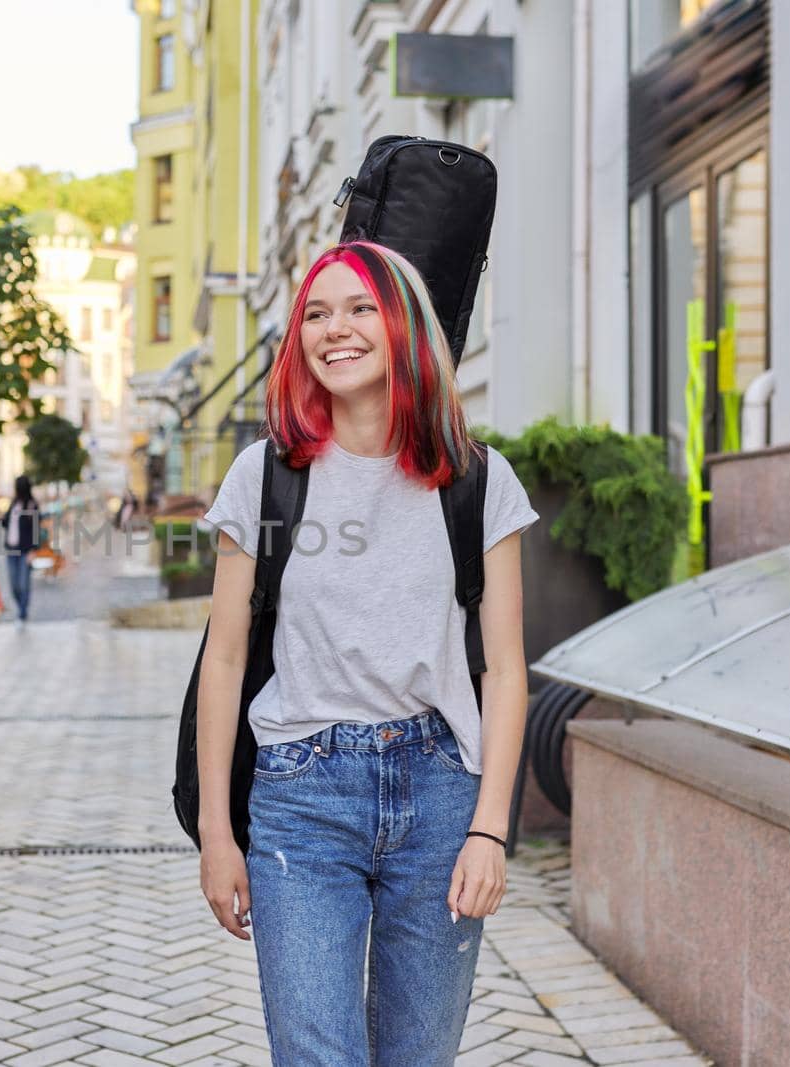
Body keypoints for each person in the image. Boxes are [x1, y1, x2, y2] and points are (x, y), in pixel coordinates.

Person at [194, 241, 537, 1065]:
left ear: (403, 328)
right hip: (300, 800)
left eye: (358, 309)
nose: (334, 329)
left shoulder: (478, 481)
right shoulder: (265, 476)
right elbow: (225, 658)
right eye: (316, 312)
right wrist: (215, 829)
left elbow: (509, 670)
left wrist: (490, 830)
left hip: (441, 798)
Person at [0, 474, 40, 624]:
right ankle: (20, 607)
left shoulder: (32, 505)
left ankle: (22, 613)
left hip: (25, 551)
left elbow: (36, 529)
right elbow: (5, 523)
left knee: (24, 583)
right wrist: (1, 517)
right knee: (14, 584)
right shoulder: (13, 503)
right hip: (11, 550)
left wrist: (34, 550)